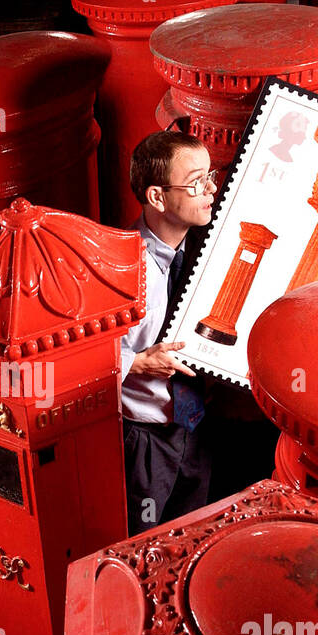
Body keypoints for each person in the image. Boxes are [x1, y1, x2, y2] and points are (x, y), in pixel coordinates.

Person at [120, 130, 218, 536]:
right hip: (145, 439)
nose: (211, 190)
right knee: (146, 539)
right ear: (158, 198)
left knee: (192, 533)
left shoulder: (199, 247)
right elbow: (77, 353)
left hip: (193, 426)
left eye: (211, 175)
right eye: (196, 181)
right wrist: (138, 361)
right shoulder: (123, 268)